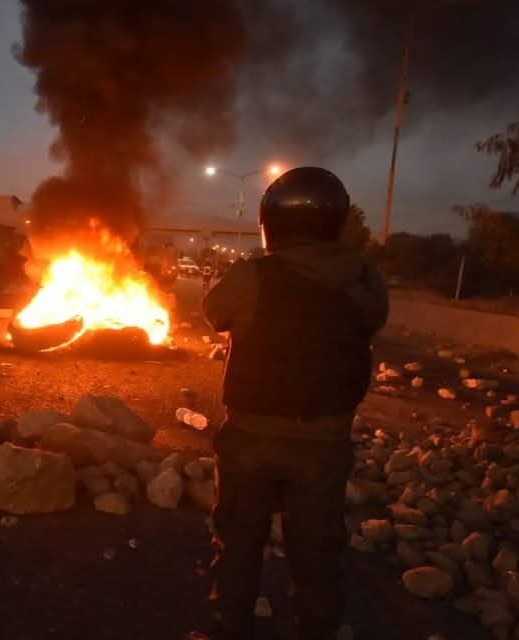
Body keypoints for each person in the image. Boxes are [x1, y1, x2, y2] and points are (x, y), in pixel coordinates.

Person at [195, 167, 388, 640]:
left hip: (251, 436)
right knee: (317, 552)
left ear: (270, 221)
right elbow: (372, 321)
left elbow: (213, 311)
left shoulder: (253, 276)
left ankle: (228, 629)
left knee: (239, 542)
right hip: (325, 442)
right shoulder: (364, 280)